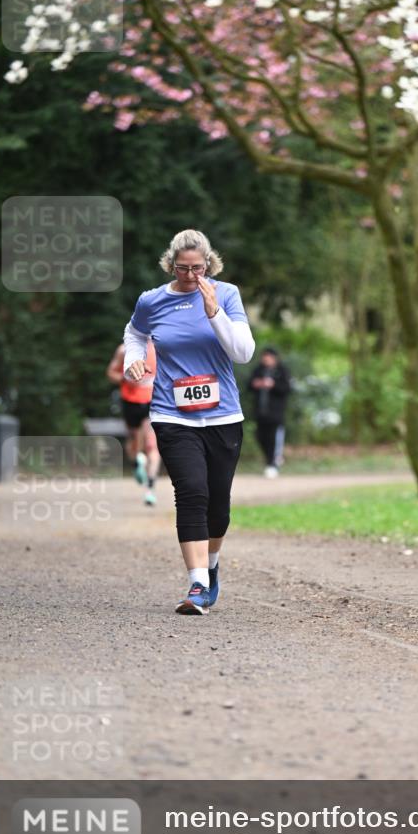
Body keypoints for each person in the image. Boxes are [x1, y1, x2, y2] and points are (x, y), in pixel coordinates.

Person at [123, 229, 255, 615]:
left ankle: (211, 567)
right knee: (192, 492)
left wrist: (214, 312)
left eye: (198, 268)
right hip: (172, 413)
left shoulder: (225, 294)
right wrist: (134, 359)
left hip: (223, 415)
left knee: (218, 504)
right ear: (171, 265)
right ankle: (197, 584)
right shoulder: (152, 300)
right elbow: (134, 333)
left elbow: (243, 353)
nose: (191, 276)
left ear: (209, 264)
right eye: (183, 268)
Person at [106, 339, 160, 506]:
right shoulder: (124, 350)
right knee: (134, 443)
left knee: (151, 444)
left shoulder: (160, 347)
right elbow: (110, 373)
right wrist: (126, 378)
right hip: (130, 402)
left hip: (152, 401)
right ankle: (137, 462)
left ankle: (150, 489)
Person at [249, 347, 291, 478]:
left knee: (274, 439)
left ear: (275, 358)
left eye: (268, 357)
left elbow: (287, 389)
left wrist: (273, 385)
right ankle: (270, 460)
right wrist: (256, 384)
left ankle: (272, 464)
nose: (266, 359)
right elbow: (249, 385)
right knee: (260, 437)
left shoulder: (282, 371)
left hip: (276, 414)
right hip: (261, 413)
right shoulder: (258, 370)